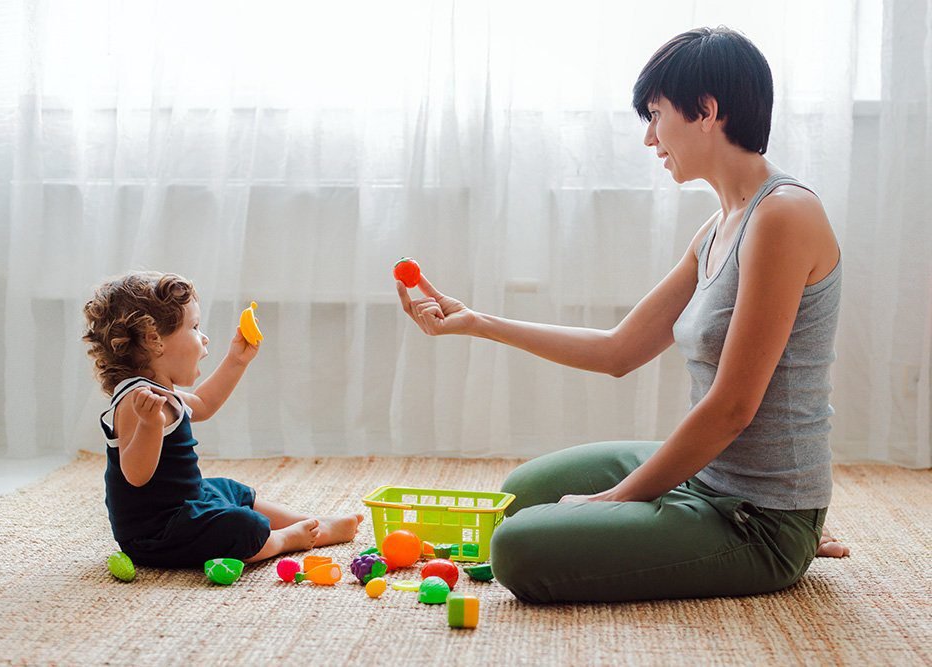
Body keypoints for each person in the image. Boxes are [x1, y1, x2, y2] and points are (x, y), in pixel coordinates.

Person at [396, 26, 848, 603]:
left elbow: (734, 407)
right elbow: (618, 350)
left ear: (707, 111)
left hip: (758, 517)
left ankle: (796, 537)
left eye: (656, 115)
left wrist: (617, 500)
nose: (650, 138)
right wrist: (479, 322)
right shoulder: (717, 227)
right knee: (523, 493)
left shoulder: (785, 216)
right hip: (708, 478)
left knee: (518, 547)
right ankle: (676, 506)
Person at [83, 271, 363, 568]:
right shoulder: (135, 401)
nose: (203, 337)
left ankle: (311, 523)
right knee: (242, 525)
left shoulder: (161, 392)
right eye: (194, 327)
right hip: (157, 534)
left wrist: (236, 360)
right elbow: (135, 474)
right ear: (154, 340)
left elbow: (203, 405)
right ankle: (285, 539)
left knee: (229, 489)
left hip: (182, 506)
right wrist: (150, 426)